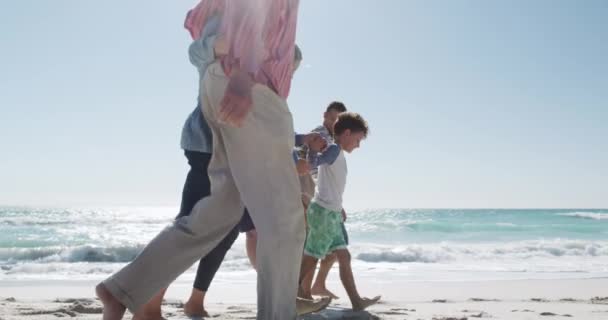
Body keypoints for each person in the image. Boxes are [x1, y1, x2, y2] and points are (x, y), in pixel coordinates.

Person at [95, 1, 320, 319]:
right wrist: (244, 75)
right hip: (249, 86)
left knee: (219, 212)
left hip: (235, 89)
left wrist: (274, 58)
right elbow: (250, 22)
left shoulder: (218, 17)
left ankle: (124, 288)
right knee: (283, 220)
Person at [298, 112, 381, 311]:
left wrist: (339, 207)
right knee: (312, 256)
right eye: (358, 139)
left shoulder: (337, 152)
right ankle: (289, 294)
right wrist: (312, 149)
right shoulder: (334, 149)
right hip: (324, 213)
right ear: (346, 133)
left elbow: (324, 174)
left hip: (332, 213)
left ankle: (356, 302)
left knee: (344, 257)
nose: (358, 145)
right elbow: (313, 165)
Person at [299, 101, 349, 300]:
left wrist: (338, 204)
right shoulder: (319, 134)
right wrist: (307, 197)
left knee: (335, 247)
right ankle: (304, 292)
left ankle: (318, 285)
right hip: (313, 195)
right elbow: (307, 162)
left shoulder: (335, 141)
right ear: (325, 115)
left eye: (340, 118)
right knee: (313, 246)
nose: (336, 121)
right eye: (334, 117)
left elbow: (330, 175)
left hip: (327, 199)